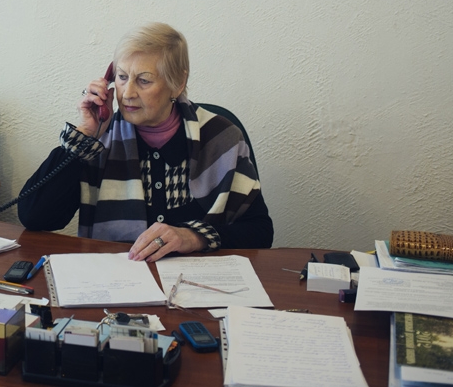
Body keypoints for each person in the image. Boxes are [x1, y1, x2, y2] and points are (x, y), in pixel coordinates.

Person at [17, 23, 272, 261]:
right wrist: (85, 134)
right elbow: (35, 217)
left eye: (144, 80)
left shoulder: (220, 136)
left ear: (177, 84)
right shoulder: (99, 141)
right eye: (122, 77)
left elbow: (260, 232)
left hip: (195, 291)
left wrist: (193, 236)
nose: (127, 93)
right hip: (116, 289)